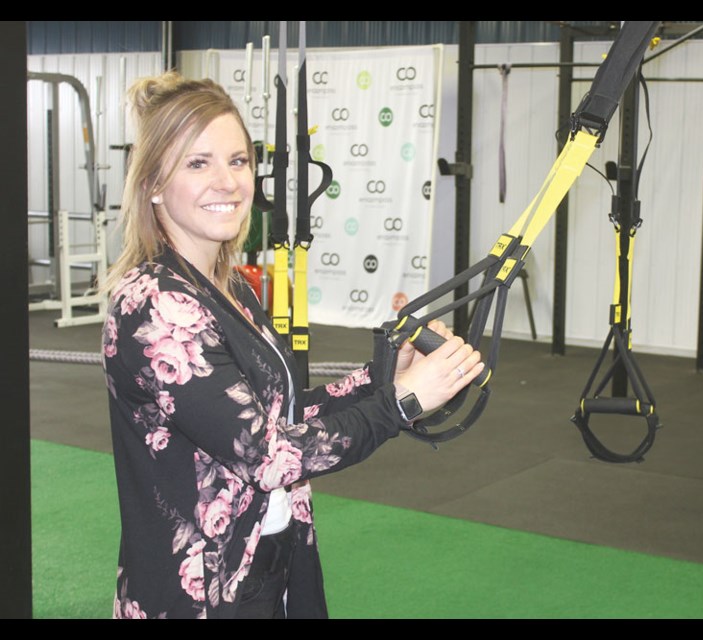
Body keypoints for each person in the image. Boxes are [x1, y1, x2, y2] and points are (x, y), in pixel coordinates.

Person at [100, 71, 483, 619]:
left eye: (238, 161)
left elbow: (281, 416)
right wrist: (401, 403)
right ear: (154, 185)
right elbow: (268, 457)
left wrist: (384, 377)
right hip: (201, 594)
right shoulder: (157, 305)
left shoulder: (226, 286)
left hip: (263, 565)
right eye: (198, 163)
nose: (228, 182)